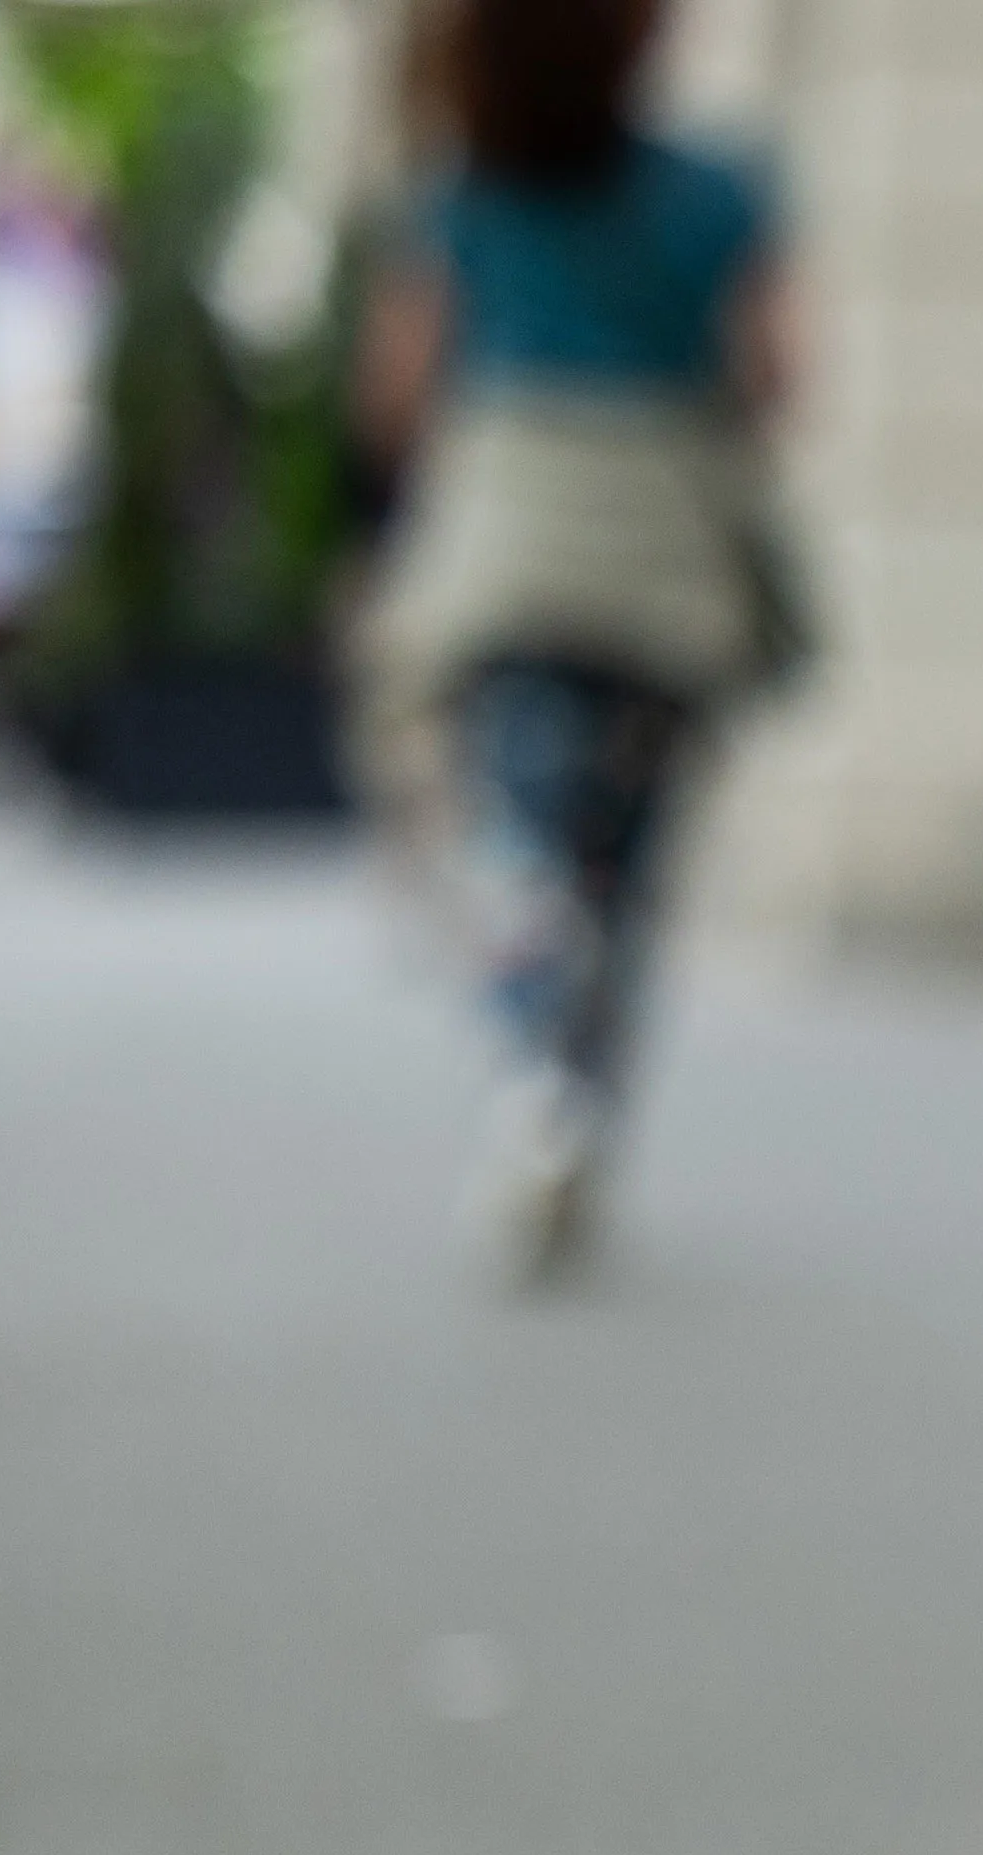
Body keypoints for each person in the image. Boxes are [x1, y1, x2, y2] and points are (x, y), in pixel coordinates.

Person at [351, 0, 801, 1285]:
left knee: (526, 846)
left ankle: (533, 1082)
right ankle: (578, 1106)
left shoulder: (466, 190)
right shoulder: (725, 192)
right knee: (629, 872)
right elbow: (777, 378)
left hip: (515, 541)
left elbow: (396, 393)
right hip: (667, 551)